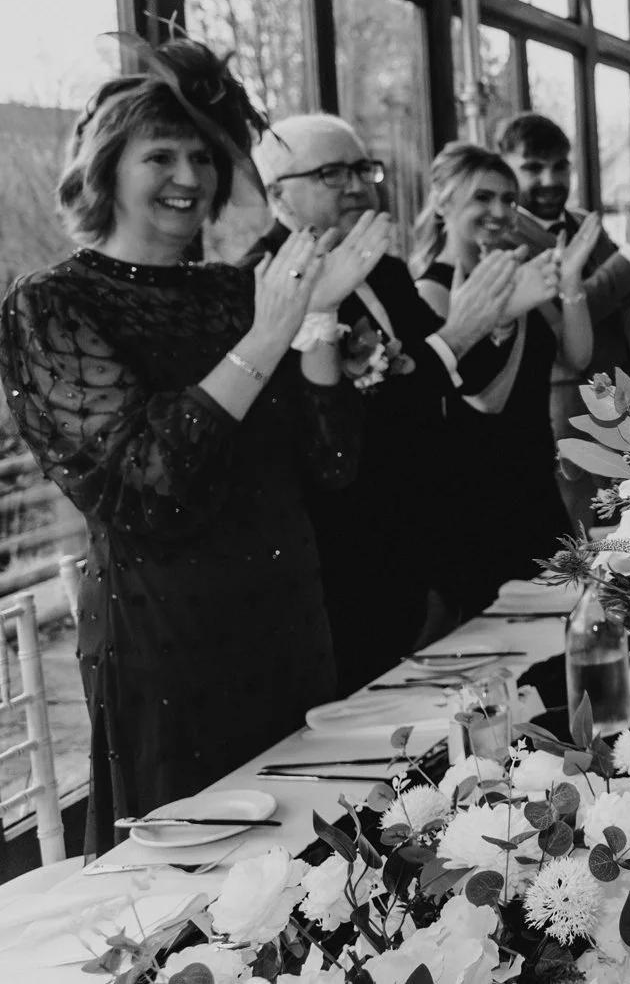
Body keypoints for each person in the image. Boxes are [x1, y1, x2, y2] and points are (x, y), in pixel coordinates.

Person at [0, 41, 383, 853]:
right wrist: (269, 334)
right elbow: (147, 487)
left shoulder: (232, 289)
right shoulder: (51, 304)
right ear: (108, 168)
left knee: (322, 882)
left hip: (289, 626)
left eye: (202, 155)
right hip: (167, 646)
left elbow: (334, 466)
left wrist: (317, 319)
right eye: (161, 155)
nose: (189, 175)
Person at [244, 114, 516, 690]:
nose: (356, 185)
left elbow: (443, 381)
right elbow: (331, 430)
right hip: (340, 561)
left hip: (421, 544)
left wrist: (496, 318)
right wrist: (459, 332)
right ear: (277, 196)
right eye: (330, 172)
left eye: (362, 169)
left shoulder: (384, 271)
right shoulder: (262, 285)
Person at [412, 142, 598, 620]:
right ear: (443, 201)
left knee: (568, 622)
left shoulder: (518, 274)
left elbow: (575, 357)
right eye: (483, 198)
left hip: (537, 486)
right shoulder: (430, 292)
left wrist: (571, 280)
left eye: (507, 200)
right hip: (476, 501)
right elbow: (480, 400)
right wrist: (507, 310)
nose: (499, 212)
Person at [495, 112, 630, 528]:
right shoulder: (505, 240)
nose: (550, 180)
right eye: (532, 168)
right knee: (592, 532)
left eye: (560, 166)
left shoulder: (584, 222)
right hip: (569, 409)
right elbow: (570, 317)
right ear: (504, 169)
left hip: (629, 396)